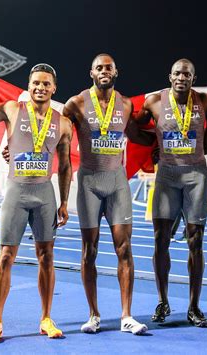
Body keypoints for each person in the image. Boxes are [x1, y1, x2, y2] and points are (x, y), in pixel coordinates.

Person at [0, 63, 73, 342]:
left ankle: (46, 318)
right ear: (28, 86)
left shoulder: (64, 122)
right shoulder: (11, 109)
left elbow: (66, 165)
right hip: (16, 193)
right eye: (35, 83)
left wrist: (64, 202)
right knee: (6, 256)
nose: (40, 87)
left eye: (46, 84)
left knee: (46, 257)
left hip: (45, 194)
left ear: (54, 89)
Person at [62, 54, 148, 335]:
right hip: (89, 183)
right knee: (90, 251)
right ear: (91, 73)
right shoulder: (75, 104)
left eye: (108, 67)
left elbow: (136, 134)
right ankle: (94, 315)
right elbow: (52, 131)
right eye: (99, 67)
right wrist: (15, 147)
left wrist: (161, 142)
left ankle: (126, 316)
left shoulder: (125, 104)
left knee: (125, 249)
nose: (104, 71)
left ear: (115, 71)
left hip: (117, 182)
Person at [135, 59, 207, 327]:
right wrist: (153, 144)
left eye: (187, 74)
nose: (182, 77)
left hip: (196, 176)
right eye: (178, 73)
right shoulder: (153, 102)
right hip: (167, 177)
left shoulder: (204, 101)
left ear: (193, 78)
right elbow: (133, 127)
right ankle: (163, 301)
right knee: (160, 240)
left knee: (196, 241)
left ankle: (194, 306)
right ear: (170, 76)